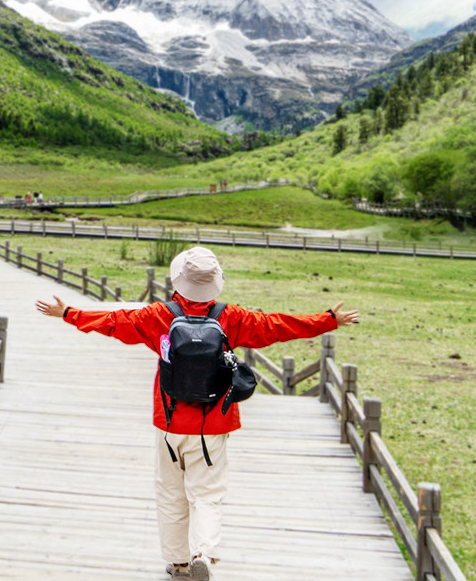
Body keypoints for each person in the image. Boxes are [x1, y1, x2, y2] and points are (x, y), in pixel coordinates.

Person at [36, 246, 359, 580]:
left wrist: (69, 313)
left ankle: (177, 562)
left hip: (170, 421)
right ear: (214, 283)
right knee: (207, 494)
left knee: (171, 492)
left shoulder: (159, 316)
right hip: (214, 423)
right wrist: (328, 320)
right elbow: (277, 326)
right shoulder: (231, 317)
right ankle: (203, 552)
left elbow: (115, 322)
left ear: (179, 280)